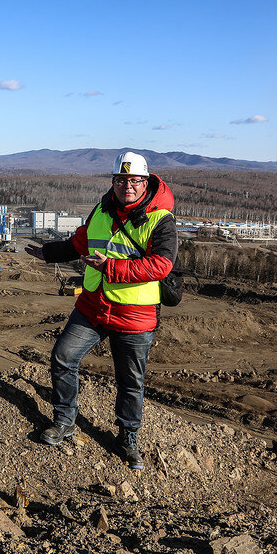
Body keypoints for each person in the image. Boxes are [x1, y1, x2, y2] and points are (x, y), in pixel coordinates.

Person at [25, 151, 177, 469]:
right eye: (121, 180)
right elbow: (80, 242)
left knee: (130, 381)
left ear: (146, 181)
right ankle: (65, 421)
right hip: (93, 305)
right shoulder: (103, 210)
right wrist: (47, 253)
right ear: (114, 182)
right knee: (64, 357)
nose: (127, 186)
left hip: (135, 314)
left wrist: (112, 268)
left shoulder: (161, 219)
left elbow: (162, 264)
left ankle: (128, 438)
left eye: (134, 180)